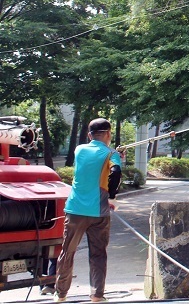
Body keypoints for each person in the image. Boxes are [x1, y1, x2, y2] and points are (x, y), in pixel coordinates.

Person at [54, 118, 122, 303]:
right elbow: (115, 172)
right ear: (108, 134)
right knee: (98, 253)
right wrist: (112, 196)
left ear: (89, 135)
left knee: (67, 252)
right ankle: (97, 296)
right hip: (99, 212)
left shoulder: (79, 150)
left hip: (75, 209)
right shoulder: (112, 153)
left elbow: (92, 163)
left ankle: (61, 295)